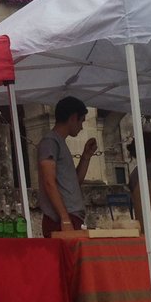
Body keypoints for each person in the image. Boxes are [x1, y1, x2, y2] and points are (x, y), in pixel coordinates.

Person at [36, 96, 97, 236]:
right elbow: (48, 182)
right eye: (81, 121)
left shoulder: (59, 142)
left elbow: (75, 182)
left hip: (71, 216)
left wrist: (86, 156)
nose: (81, 127)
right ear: (73, 117)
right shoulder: (50, 142)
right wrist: (65, 219)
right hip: (61, 219)